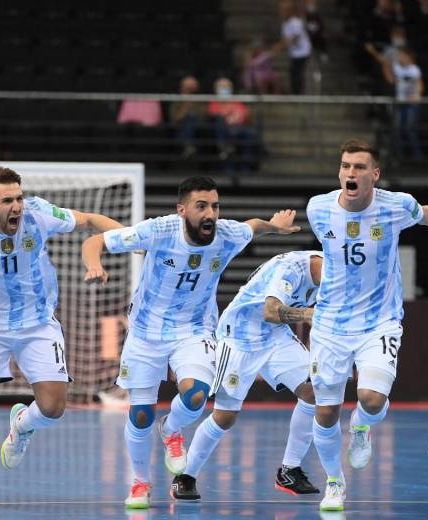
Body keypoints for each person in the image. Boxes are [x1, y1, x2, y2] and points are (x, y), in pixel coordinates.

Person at [82, 176, 300, 508]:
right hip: (146, 332)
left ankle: (171, 428)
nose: (210, 213)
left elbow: (251, 226)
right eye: (201, 206)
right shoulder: (159, 230)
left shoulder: (226, 234)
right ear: (182, 210)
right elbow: (95, 241)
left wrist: (275, 225)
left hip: (194, 329)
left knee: (197, 394)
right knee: (140, 415)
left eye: (214, 205)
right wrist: (94, 265)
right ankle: (140, 483)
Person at [305, 140, 428, 512]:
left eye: (358, 167)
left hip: (379, 321)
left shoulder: (395, 206)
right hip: (330, 325)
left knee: (371, 399)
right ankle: (335, 483)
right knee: (324, 413)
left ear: (375, 174)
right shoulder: (318, 208)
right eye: (345, 166)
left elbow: (425, 213)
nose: (350, 173)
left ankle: (363, 427)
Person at [0, 167, 123, 507]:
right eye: (7, 200)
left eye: (19, 198)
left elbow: (88, 219)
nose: (17, 206)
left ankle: (22, 425)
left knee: (53, 407)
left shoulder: (38, 214)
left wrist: (135, 238)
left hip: (38, 323)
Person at [175, 250, 324, 500]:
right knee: (225, 416)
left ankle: (289, 471)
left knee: (314, 392)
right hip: (239, 337)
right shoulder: (291, 269)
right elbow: (271, 311)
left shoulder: (337, 274)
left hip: (276, 335)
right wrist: (309, 315)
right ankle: (185, 476)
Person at [367, 46, 423, 159]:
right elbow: (389, 77)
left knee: (409, 129)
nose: (400, 57)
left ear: (408, 57)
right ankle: (400, 156)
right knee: (396, 129)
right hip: (400, 103)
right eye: (399, 55)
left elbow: (420, 84)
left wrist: (417, 95)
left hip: (412, 104)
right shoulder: (396, 67)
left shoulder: (414, 69)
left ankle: (417, 156)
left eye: (402, 55)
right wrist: (376, 54)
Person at [275, 1, 312, 95]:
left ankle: (299, 93)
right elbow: (285, 39)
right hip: (294, 52)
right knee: (293, 72)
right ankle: (295, 92)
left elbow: (294, 38)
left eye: (283, 11)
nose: (281, 13)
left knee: (298, 72)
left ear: (289, 11)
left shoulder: (295, 22)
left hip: (303, 52)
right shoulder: (285, 24)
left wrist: (280, 46)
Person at [169, 75, 207, 158]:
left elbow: (203, 117)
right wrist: (185, 105)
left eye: (191, 87)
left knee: (191, 117)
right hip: (180, 130)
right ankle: (188, 146)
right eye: (187, 87)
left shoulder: (201, 101)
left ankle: (188, 146)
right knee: (188, 119)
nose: (189, 90)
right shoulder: (176, 102)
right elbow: (175, 120)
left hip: (199, 130)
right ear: (182, 87)